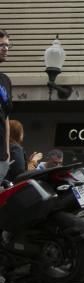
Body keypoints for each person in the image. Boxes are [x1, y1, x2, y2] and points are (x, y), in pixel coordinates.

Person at [0, 30, 12, 183]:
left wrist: (7, 150)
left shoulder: (5, 80)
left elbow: (7, 116)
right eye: (1, 45)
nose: (5, 49)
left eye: (8, 46)